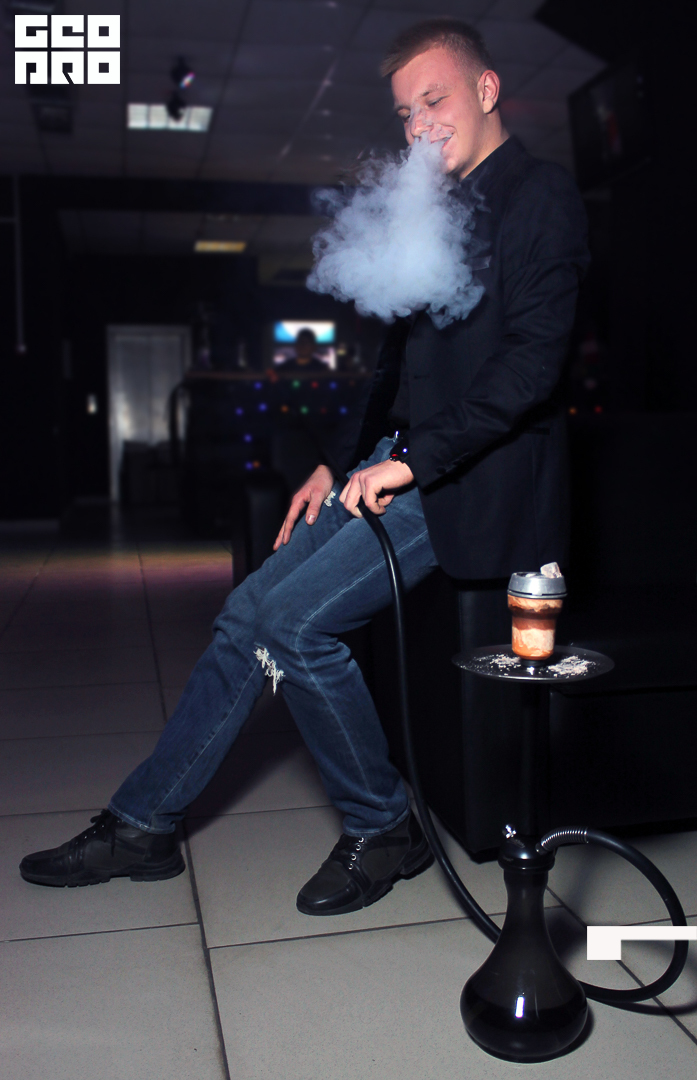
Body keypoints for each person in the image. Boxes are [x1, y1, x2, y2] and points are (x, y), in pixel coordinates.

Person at [19, 19, 589, 915]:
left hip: (461, 479)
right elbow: (394, 362)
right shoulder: (437, 205)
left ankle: (383, 824)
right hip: (394, 461)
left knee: (291, 625)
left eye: (433, 100)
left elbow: (531, 365)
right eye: (404, 113)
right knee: (244, 612)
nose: (418, 125)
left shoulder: (539, 195)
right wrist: (338, 461)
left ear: (486, 91)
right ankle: (142, 825)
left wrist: (414, 462)